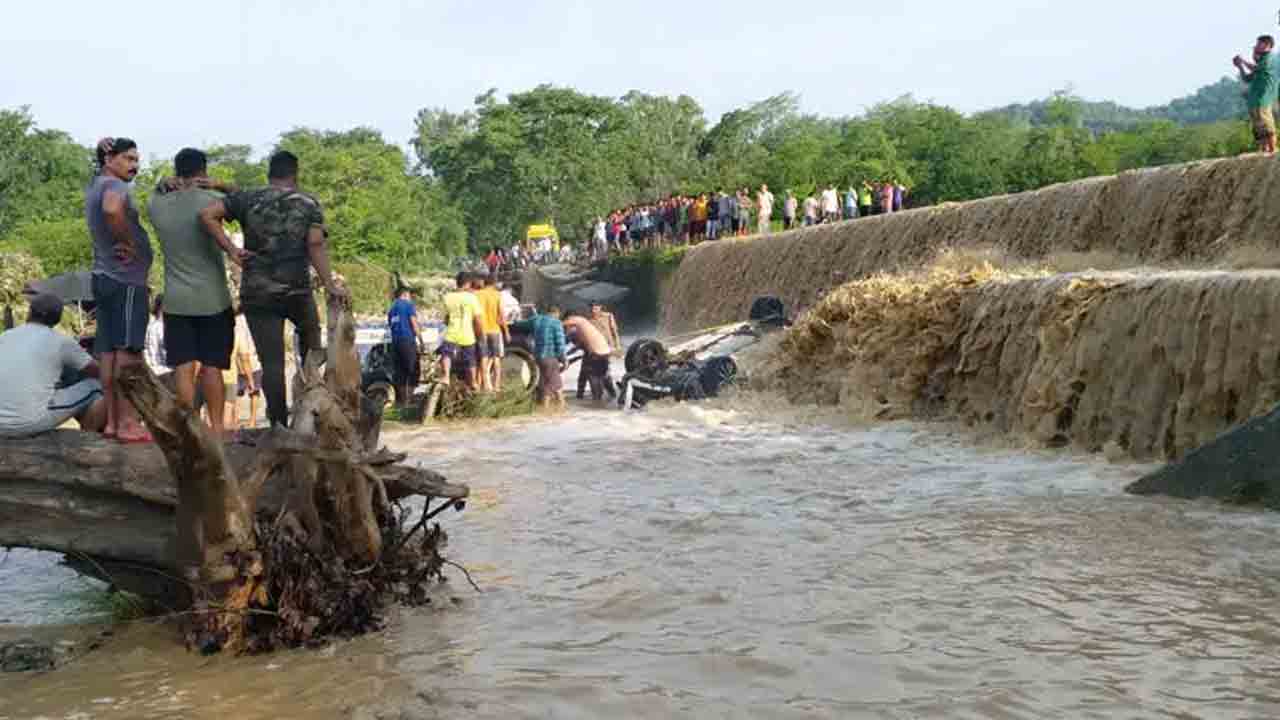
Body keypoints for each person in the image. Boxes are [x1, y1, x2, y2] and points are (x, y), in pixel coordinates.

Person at [199, 151, 350, 428]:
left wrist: (231, 250)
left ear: (270, 173)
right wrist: (329, 283)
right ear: (295, 173)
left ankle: (278, 424)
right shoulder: (307, 202)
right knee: (313, 350)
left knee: (272, 364)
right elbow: (315, 244)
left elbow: (207, 215)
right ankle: (312, 415)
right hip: (296, 291)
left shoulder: (248, 198)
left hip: (258, 292)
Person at [149, 148, 243, 437]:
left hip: (176, 301)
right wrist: (221, 185)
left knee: (183, 367)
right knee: (213, 367)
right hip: (213, 298)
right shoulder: (212, 199)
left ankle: (188, 429)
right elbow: (246, 199)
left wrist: (161, 184)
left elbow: (155, 193)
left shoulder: (157, 205)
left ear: (177, 172)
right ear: (203, 172)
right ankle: (217, 429)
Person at [86, 137, 153, 443]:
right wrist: (127, 241)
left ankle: (113, 423)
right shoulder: (115, 187)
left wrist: (101, 150)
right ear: (110, 160)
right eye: (128, 158)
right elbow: (113, 210)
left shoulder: (96, 183)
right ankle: (127, 423)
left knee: (109, 353)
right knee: (127, 353)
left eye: (136, 159)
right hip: (125, 281)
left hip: (104, 277)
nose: (134, 165)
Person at [0, 294, 107, 437]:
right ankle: (88, 435)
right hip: (26, 423)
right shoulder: (61, 342)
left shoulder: (5, 336)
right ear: (57, 319)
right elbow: (99, 372)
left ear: (29, 312)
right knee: (95, 386)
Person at [511, 305, 566, 410]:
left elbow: (519, 325)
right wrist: (563, 359)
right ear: (557, 313)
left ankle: (555, 405)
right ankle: (548, 406)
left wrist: (514, 318)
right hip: (550, 356)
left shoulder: (536, 319)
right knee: (552, 381)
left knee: (547, 379)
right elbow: (560, 343)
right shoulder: (556, 323)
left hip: (538, 356)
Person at [438, 272, 485, 390]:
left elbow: (446, 319)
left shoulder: (448, 297)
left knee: (446, 354)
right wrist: (480, 334)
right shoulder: (471, 298)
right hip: (467, 335)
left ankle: (446, 376)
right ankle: (473, 382)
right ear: (468, 283)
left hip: (451, 334)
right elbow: (478, 319)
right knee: (471, 360)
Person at [1236, 35, 1279, 154]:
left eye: (1259, 44)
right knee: (1258, 128)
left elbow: (1256, 68)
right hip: (1254, 100)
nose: (1256, 47)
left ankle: (1273, 150)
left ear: (1267, 45)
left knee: (1267, 125)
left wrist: (1243, 61)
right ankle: (1264, 150)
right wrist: (1240, 66)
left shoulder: (1271, 57)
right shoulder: (1261, 61)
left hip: (1263, 98)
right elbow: (1246, 78)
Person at [563, 313, 615, 403]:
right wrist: (569, 352)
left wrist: (566, 354)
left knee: (592, 377)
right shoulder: (583, 328)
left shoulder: (573, 330)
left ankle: (595, 400)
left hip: (594, 354)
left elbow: (567, 342)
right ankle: (612, 395)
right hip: (603, 352)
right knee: (602, 376)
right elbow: (580, 344)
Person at [475, 273, 510, 392]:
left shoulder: (477, 294)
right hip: (495, 330)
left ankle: (486, 385)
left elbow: (476, 314)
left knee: (483, 357)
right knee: (496, 358)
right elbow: (501, 315)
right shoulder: (497, 295)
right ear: (494, 283)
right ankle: (496, 385)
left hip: (482, 331)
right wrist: (506, 331)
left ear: (484, 282)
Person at [387, 286, 420, 408]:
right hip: (407, 340)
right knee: (413, 370)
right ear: (405, 294)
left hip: (395, 343)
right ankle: (409, 400)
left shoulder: (392, 309)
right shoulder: (408, 305)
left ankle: (401, 401)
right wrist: (421, 341)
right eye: (410, 296)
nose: (411, 298)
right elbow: (414, 323)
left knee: (400, 372)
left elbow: (391, 325)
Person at [233, 312, 262, 429]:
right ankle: (252, 420)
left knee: (237, 393)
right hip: (251, 359)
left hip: (237, 362)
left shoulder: (234, 320)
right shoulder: (252, 318)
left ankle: (235, 420)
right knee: (254, 392)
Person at [143, 293, 170, 376]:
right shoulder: (155, 327)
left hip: (167, 369)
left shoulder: (167, 326)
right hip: (159, 371)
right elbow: (153, 357)